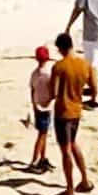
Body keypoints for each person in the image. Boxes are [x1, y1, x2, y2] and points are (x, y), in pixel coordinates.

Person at [47, 33, 94, 195]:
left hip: (63, 112)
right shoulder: (85, 64)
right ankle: (85, 180)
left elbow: (53, 93)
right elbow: (93, 89)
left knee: (65, 149)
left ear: (60, 48)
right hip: (76, 111)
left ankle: (69, 188)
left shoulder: (59, 67)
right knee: (73, 144)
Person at [23, 43, 55, 172]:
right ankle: (34, 161)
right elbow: (53, 89)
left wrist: (33, 104)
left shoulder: (34, 73)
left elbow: (32, 89)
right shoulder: (48, 74)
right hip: (46, 106)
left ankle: (43, 157)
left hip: (37, 106)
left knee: (44, 133)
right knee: (42, 134)